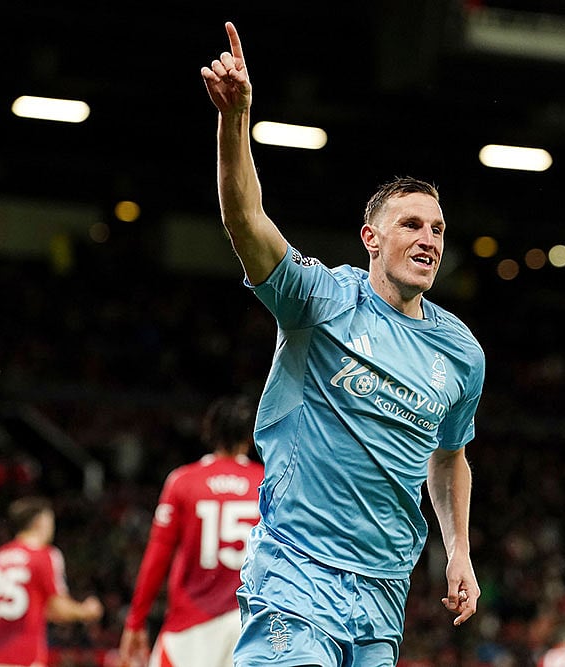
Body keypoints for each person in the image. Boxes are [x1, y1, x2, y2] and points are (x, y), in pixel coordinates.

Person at [200, 21, 486, 667]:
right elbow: (246, 221)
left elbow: (450, 457)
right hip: (295, 572)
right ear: (370, 238)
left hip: (383, 594)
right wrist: (234, 121)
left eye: (438, 229)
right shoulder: (322, 300)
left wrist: (459, 549)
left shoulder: (461, 353)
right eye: (410, 224)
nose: (428, 239)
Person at [119, 395, 264, 667]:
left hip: (190, 627)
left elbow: (157, 556)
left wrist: (135, 621)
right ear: (249, 436)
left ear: (209, 433)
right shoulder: (265, 482)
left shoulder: (183, 481)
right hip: (249, 623)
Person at [0, 496, 103, 667]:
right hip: (25, 658)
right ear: (40, 521)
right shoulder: (44, 555)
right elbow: (58, 609)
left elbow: (36, 607)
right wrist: (86, 611)